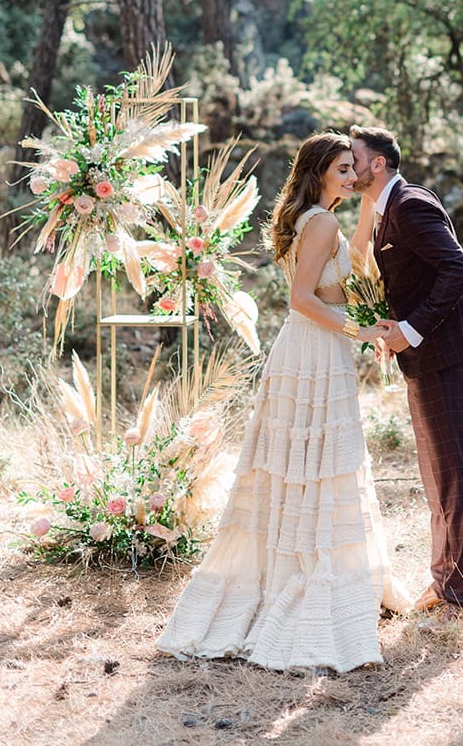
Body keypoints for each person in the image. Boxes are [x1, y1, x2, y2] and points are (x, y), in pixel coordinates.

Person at [157, 132, 411, 672]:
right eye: (343, 168)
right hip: (315, 351)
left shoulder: (319, 217)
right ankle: (305, 580)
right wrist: (361, 332)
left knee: (303, 469)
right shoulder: (320, 223)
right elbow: (301, 299)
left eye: (354, 167)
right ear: (319, 171)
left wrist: (365, 306)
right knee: (315, 467)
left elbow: (355, 263)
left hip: (310, 348)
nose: (352, 175)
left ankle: (299, 567)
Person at [349, 125, 463, 628]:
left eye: (357, 158)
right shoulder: (389, 206)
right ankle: (446, 580)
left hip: (443, 352)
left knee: (450, 469)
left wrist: (410, 328)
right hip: (424, 353)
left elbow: (459, 269)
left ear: (379, 164)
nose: (351, 166)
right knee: (436, 470)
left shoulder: (409, 205)